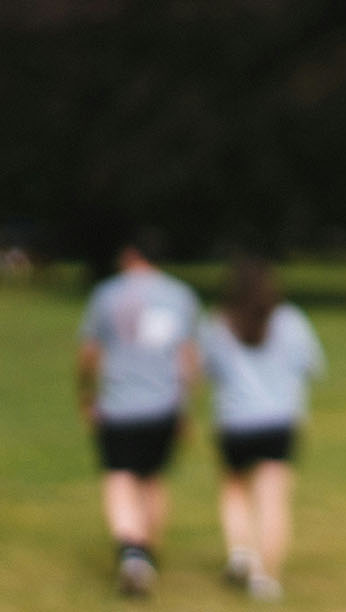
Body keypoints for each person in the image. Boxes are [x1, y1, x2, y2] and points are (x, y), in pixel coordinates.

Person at [77, 244, 201, 596]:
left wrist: (86, 392)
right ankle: (147, 550)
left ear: (129, 255)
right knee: (153, 479)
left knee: (119, 478)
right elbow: (188, 358)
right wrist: (184, 405)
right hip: (163, 405)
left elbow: (89, 353)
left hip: (117, 405)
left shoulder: (106, 293)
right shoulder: (180, 295)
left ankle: (132, 552)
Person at [198, 258, 325, 600]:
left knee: (235, 489)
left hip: (235, 423)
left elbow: (204, 369)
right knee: (273, 500)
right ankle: (265, 578)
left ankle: (241, 552)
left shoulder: (218, 322)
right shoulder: (292, 320)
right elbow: (314, 365)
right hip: (280, 422)